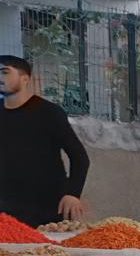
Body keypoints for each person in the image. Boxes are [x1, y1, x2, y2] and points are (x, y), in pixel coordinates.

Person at [0, 55, 91, 227]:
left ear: (25, 78)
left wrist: (73, 193)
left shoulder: (49, 113)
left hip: (46, 208)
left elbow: (79, 157)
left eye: (5, 72)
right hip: (5, 209)